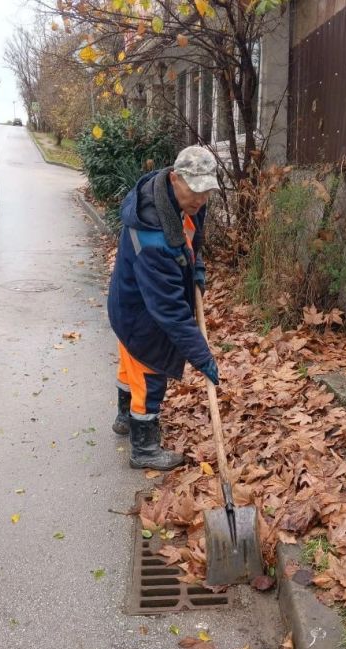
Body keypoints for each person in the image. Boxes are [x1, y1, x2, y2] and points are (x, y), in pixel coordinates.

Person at [107, 145, 220, 471]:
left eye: (206, 191)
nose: (200, 199)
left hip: (129, 301)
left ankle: (123, 418)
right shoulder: (153, 233)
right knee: (149, 374)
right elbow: (170, 311)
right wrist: (203, 357)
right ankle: (144, 448)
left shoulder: (181, 200)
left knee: (129, 367)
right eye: (195, 190)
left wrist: (196, 267)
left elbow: (191, 237)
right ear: (175, 178)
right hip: (139, 313)